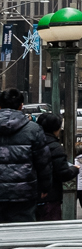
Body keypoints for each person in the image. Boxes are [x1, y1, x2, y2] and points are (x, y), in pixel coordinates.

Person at [0, 90, 56, 223]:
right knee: (22, 231)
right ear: (21, 106)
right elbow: (43, 162)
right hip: (23, 193)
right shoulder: (33, 129)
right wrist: (45, 186)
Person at [39, 115, 72, 220]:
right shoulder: (55, 147)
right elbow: (63, 173)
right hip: (50, 195)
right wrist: (75, 169)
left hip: (29, 194)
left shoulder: (32, 142)